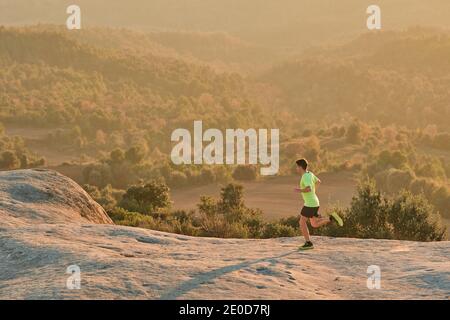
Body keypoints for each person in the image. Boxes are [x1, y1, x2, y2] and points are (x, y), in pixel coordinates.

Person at [294, 158, 343, 250]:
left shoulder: (305, 176)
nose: (296, 168)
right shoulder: (310, 174)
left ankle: (308, 243)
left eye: (297, 167)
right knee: (314, 224)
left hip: (310, 204)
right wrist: (313, 192)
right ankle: (331, 218)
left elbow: (308, 188)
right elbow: (318, 182)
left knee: (302, 222)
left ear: (300, 167)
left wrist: (299, 190)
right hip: (315, 202)